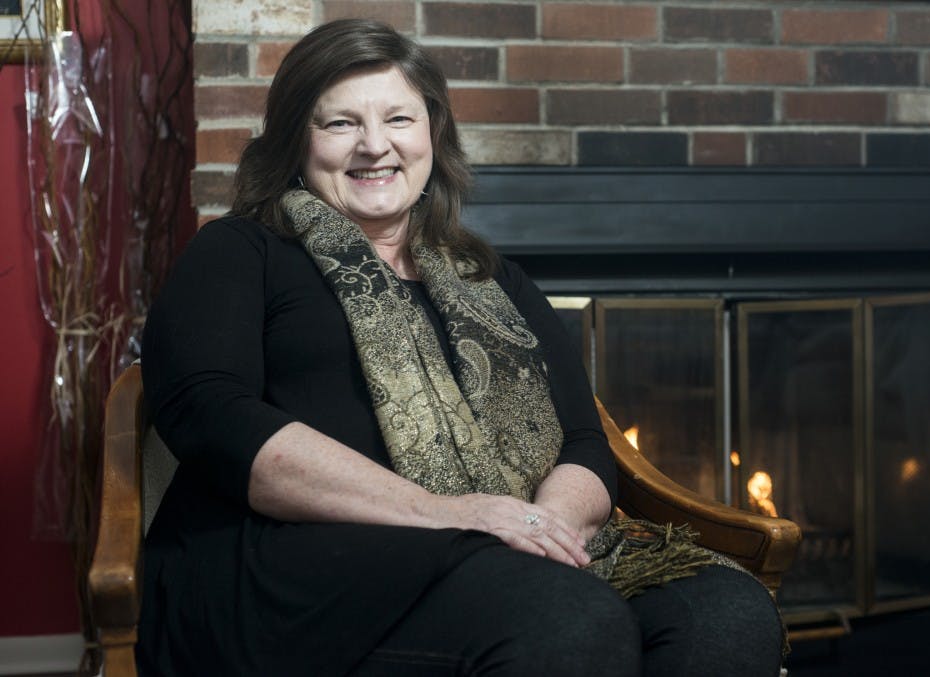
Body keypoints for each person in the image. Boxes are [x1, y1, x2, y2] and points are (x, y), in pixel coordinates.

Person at [137, 18, 783, 677]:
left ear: (433, 133)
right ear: (295, 140)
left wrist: (542, 528)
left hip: (499, 558)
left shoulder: (490, 278)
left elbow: (584, 440)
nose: (374, 146)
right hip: (298, 568)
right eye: (340, 124)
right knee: (566, 620)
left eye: (398, 119)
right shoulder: (241, 253)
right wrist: (453, 515)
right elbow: (210, 415)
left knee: (726, 611)